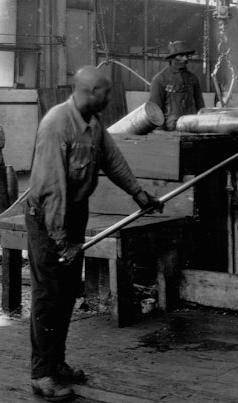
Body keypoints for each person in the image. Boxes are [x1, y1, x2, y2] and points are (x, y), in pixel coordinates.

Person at [25, 65, 164, 401]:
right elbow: (53, 189)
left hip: (73, 216)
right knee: (49, 297)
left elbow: (113, 160)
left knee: (67, 293)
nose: (110, 97)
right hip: (48, 219)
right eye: (106, 92)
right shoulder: (57, 124)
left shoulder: (93, 124)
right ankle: (42, 374)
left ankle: (56, 363)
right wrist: (63, 242)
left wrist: (139, 193)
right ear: (89, 92)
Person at [148, 40, 205, 130]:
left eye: (186, 56)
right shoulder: (160, 79)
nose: (185, 59)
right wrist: (161, 134)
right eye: (181, 56)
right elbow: (155, 111)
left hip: (192, 127)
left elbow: (200, 107)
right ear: (172, 57)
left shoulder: (193, 79)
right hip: (171, 130)